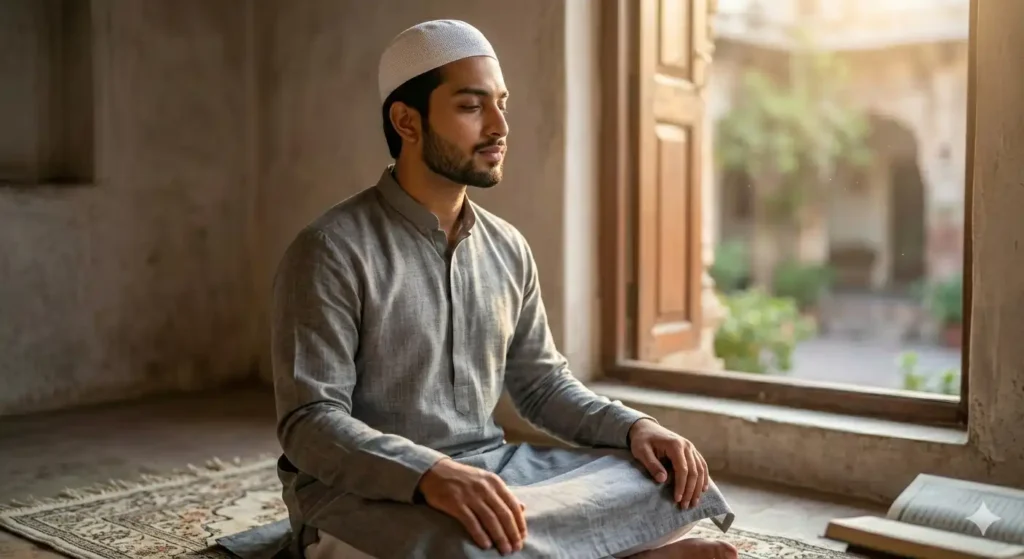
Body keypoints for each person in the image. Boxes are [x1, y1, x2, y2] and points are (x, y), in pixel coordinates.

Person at [271, 19, 737, 559]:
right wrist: (430, 473)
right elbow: (310, 425)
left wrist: (633, 427)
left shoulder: (508, 246)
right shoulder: (329, 249)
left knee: (664, 482)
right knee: (462, 544)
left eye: (502, 103)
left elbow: (542, 385)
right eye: (472, 107)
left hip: (496, 473)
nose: (499, 126)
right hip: (366, 495)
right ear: (407, 121)